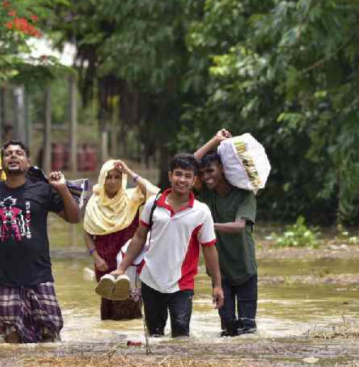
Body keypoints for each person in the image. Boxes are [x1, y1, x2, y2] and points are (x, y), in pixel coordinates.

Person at [0, 140, 81, 344]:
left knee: (51, 333)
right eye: (8, 153)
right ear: (2, 162)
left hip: (40, 276)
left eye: (19, 153)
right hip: (6, 279)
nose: (13, 156)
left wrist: (62, 189)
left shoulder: (42, 190)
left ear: (27, 162)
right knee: (12, 336)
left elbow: (74, 218)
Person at [111, 153, 224, 338]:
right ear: (170, 176)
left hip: (182, 284)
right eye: (179, 174)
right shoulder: (153, 204)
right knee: (154, 335)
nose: (182, 180)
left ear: (195, 180)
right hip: (150, 279)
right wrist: (121, 268)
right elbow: (139, 237)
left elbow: (209, 248)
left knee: (181, 335)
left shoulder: (201, 212)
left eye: (188, 176)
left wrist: (217, 285)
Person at [194, 129, 258, 336]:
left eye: (210, 171)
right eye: (202, 174)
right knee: (228, 330)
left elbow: (239, 227)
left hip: (245, 269)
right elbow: (188, 163)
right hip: (219, 273)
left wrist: (207, 225)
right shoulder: (206, 194)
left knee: (248, 330)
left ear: (222, 168)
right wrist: (215, 140)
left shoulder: (244, 194)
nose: (206, 177)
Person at [84, 159, 159, 321]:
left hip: (129, 260)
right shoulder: (94, 203)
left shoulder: (133, 197)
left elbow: (155, 194)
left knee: (130, 310)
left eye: (117, 177)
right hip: (104, 263)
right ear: (102, 178)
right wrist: (96, 258)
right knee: (108, 313)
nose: (112, 181)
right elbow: (88, 233)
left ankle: (131, 342)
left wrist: (129, 171)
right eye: (108, 177)